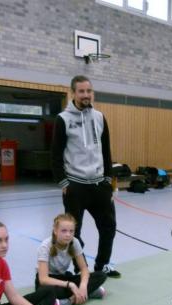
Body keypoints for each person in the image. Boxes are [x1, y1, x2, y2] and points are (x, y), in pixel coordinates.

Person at [51, 74, 121, 279]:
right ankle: (79, 269)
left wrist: (108, 180)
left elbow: (106, 151)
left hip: (100, 185)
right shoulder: (63, 119)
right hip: (76, 186)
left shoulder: (99, 117)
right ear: (73, 93)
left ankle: (102, 265)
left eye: (89, 91)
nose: (86, 95)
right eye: (81, 91)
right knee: (73, 233)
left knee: (108, 227)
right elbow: (55, 154)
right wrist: (64, 183)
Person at [36, 213, 108, 305]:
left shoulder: (75, 242)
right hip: (49, 281)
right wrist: (71, 285)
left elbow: (84, 269)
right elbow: (43, 279)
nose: (68, 234)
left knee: (101, 275)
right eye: (64, 231)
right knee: (45, 291)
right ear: (55, 231)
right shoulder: (45, 246)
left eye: (71, 231)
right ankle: (86, 294)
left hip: (64, 278)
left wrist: (83, 286)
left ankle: (69, 299)